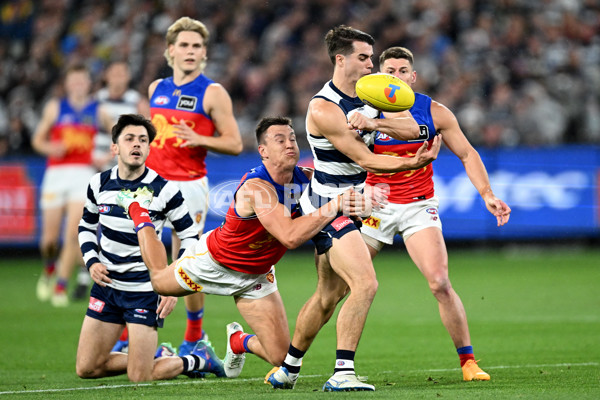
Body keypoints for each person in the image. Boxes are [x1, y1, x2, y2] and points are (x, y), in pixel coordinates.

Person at [115, 116, 368, 380]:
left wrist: (355, 209)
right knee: (158, 281)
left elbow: (334, 212)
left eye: (292, 138)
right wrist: (336, 204)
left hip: (255, 276)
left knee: (282, 357)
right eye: (279, 140)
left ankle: (238, 341)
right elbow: (291, 237)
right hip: (213, 263)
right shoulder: (257, 187)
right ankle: (137, 209)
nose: (290, 144)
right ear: (263, 151)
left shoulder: (307, 180)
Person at [265, 26, 441, 392]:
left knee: (328, 296)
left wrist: (376, 121)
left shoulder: (371, 94)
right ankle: (342, 372)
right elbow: (367, 159)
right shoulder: (324, 107)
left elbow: (413, 126)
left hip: (356, 203)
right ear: (340, 59)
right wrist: (413, 163)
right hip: (330, 205)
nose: (371, 64)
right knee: (365, 283)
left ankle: (288, 369)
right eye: (363, 57)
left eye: (372, 58)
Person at [360, 46, 512, 381]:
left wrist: (487, 194)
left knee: (440, 283)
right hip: (374, 206)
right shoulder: (361, 113)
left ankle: (468, 363)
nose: (395, 77)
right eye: (389, 71)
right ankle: (291, 361)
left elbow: (468, 153)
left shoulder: (434, 112)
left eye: (402, 71)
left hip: (417, 205)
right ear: (377, 77)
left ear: (412, 78)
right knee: (338, 287)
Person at [76, 113, 224, 382]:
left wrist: (174, 282)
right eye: (129, 139)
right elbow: (86, 226)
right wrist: (91, 261)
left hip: (144, 291)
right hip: (107, 288)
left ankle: (197, 360)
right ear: (114, 147)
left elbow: (190, 235)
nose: (136, 145)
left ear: (149, 148)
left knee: (139, 377)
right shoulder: (98, 184)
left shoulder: (164, 189)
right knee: (86, 369)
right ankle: (160, 356)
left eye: (143, 140)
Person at [138, 15, 244, 357]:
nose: (190, 51)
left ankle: (194, 335)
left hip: (189, 186)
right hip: (153, 185)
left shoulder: (213, 92)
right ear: (170, 50)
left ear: (204, 53)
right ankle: (134, 330)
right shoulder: (156, 89)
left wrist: (199, 137)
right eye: (183, 45)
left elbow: (234, 142)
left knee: (186, 262)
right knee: (142, 257)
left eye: (197, 46)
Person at [32, 63, 114, 307]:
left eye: (82, 80)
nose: (78, 85)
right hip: (56, 174)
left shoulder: (97, 110)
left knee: (72, 234)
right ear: (68, 84)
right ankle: (49, 268)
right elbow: (38, 139)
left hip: (83, 174)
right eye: (74, 80)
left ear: (89, 84)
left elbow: (118, 133)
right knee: (48, 241)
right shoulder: (56, 107)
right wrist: (50, 148)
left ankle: (60, 286)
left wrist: (107, 156)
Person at [72, 60, 151, 302]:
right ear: (107, 76)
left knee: (122, 220)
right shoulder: (96, 100)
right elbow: (81, 129)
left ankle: (132, 272)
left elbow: (147, 131)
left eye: (122, 73)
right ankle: (86, 273)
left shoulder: (136, 101)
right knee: (89, 220)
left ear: (127, 77)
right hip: (94, 166)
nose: (118, 77)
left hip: (125, 168)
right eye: (114, 72)